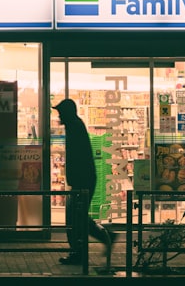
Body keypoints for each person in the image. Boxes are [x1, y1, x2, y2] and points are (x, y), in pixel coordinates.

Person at [53, 98, 116, 265]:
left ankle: (79, 253)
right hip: (82, 179)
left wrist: (75, 181)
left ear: (67, 113)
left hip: (82, 181)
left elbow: (78, 157)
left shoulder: (74, 127)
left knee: (74, 219)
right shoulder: (74, 125)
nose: (59, 116)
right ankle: (104, 237)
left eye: (60, 113)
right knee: (78, 217)